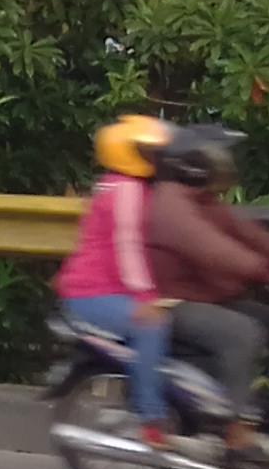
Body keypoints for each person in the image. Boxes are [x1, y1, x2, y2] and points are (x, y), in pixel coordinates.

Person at [146, 125, 269, 466]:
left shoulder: (206, 202)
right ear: (195, 165)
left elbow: (251, 236)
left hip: (209, 297)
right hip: (172, 302)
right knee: (242, 334)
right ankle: (236, 435)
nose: (226, 166)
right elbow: (216, 251)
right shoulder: (171, 204)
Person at [55, 114, 178, 449]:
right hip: (93, 294)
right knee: (152, 327)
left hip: (97, 290)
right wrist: (145, 297)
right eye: (149, 151)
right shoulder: (126, 189)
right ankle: (150, 418)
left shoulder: (117, 185)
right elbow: (127, 244)